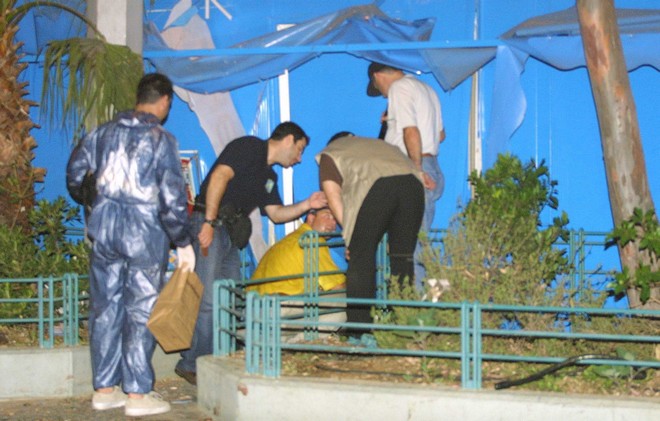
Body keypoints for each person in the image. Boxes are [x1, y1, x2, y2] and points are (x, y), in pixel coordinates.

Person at [66, 73, 195, 417]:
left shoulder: (101, 134)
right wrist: (182, 240)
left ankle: (105, 390)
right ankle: (137, 393)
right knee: (141, 311)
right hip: (145, 237)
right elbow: (172, 198)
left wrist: (93, 202)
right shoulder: (161, 139)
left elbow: (75, 174)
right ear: (165, 101)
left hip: (104, 232)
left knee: (105, 309)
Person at [175, 121, 327, 385]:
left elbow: (276, 214)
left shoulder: (269, 177)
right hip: (212, 224)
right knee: (208, 299)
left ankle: (219, 359)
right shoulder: (248, 147)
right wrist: (208, 222)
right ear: (289, 139)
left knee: (230, 299)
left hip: (231, 233)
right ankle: (192, 364)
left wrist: (307, 204)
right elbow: (220, 176)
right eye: (300, 149)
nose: (299, 159)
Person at [317, 132, 424, 329]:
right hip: (414, 186)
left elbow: (333, 197)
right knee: (402, 258)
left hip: (379, 186)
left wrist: (350, 237)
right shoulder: (377, 145)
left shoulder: (330, 153)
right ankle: (404, 325)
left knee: (361, 258)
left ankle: (360, 328)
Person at [366, 62, 446, 288]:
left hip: (413, 167)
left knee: (410, 244)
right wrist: (392, 123)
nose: (384, 95)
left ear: (377, 76)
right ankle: (421, 296)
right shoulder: (427, 89)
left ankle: (414, 303)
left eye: (378, 88)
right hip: (432, 165)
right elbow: (440, 135)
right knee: (417, 239)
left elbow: (410, 131)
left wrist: (416, 170)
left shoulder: (399, 88)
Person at [247, 208, 347, 341]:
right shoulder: (312, 239)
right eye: (327, 216)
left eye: (335, 219)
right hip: (277, 308)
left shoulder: (290, 240)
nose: (333, 224)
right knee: (342, 303)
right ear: (311, 217)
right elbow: (338, 287)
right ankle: (297, 344)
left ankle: (279, 343)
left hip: (252, 310)